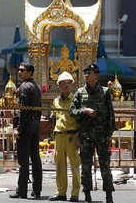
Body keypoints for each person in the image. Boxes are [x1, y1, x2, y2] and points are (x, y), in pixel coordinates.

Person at [69, 63, 115, 203]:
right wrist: (84, 110)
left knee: (105, 166)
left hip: (101, 135)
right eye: (86, 73)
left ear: (96, 75)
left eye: (90, 72)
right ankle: (87, 194)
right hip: (86, 135)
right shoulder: (79, 92)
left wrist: (109, 134)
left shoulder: (105, 92)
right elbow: (72, 111)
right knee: (86, 166)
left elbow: (110, 115)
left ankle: (109, 195)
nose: (87, 75)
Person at [9, 62, 43, 199]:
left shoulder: (24, 87)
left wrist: (19, 128)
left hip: (27, 125)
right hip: (35, 124)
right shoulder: (36, 87)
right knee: (35, 158)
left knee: (23, 160)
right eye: (19, 69)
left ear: (30, 73)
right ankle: (37, 189)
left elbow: (23, 111)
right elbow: (39, 108)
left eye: (22, 70)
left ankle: (21, 190)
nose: (19, 72)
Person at [48, 72, 80, 202]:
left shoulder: (76, 100)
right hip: (59, 135)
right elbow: (54, 118)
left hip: (72, 135)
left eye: (69, 82)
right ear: (59, 85)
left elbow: (80, 120)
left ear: (72, 85)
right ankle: (61, 192)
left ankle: (75, 193)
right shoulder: (56, 101)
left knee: (75, 165)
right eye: (64, 83)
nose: (66, 85)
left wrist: (79, 137)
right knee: (60, 165)